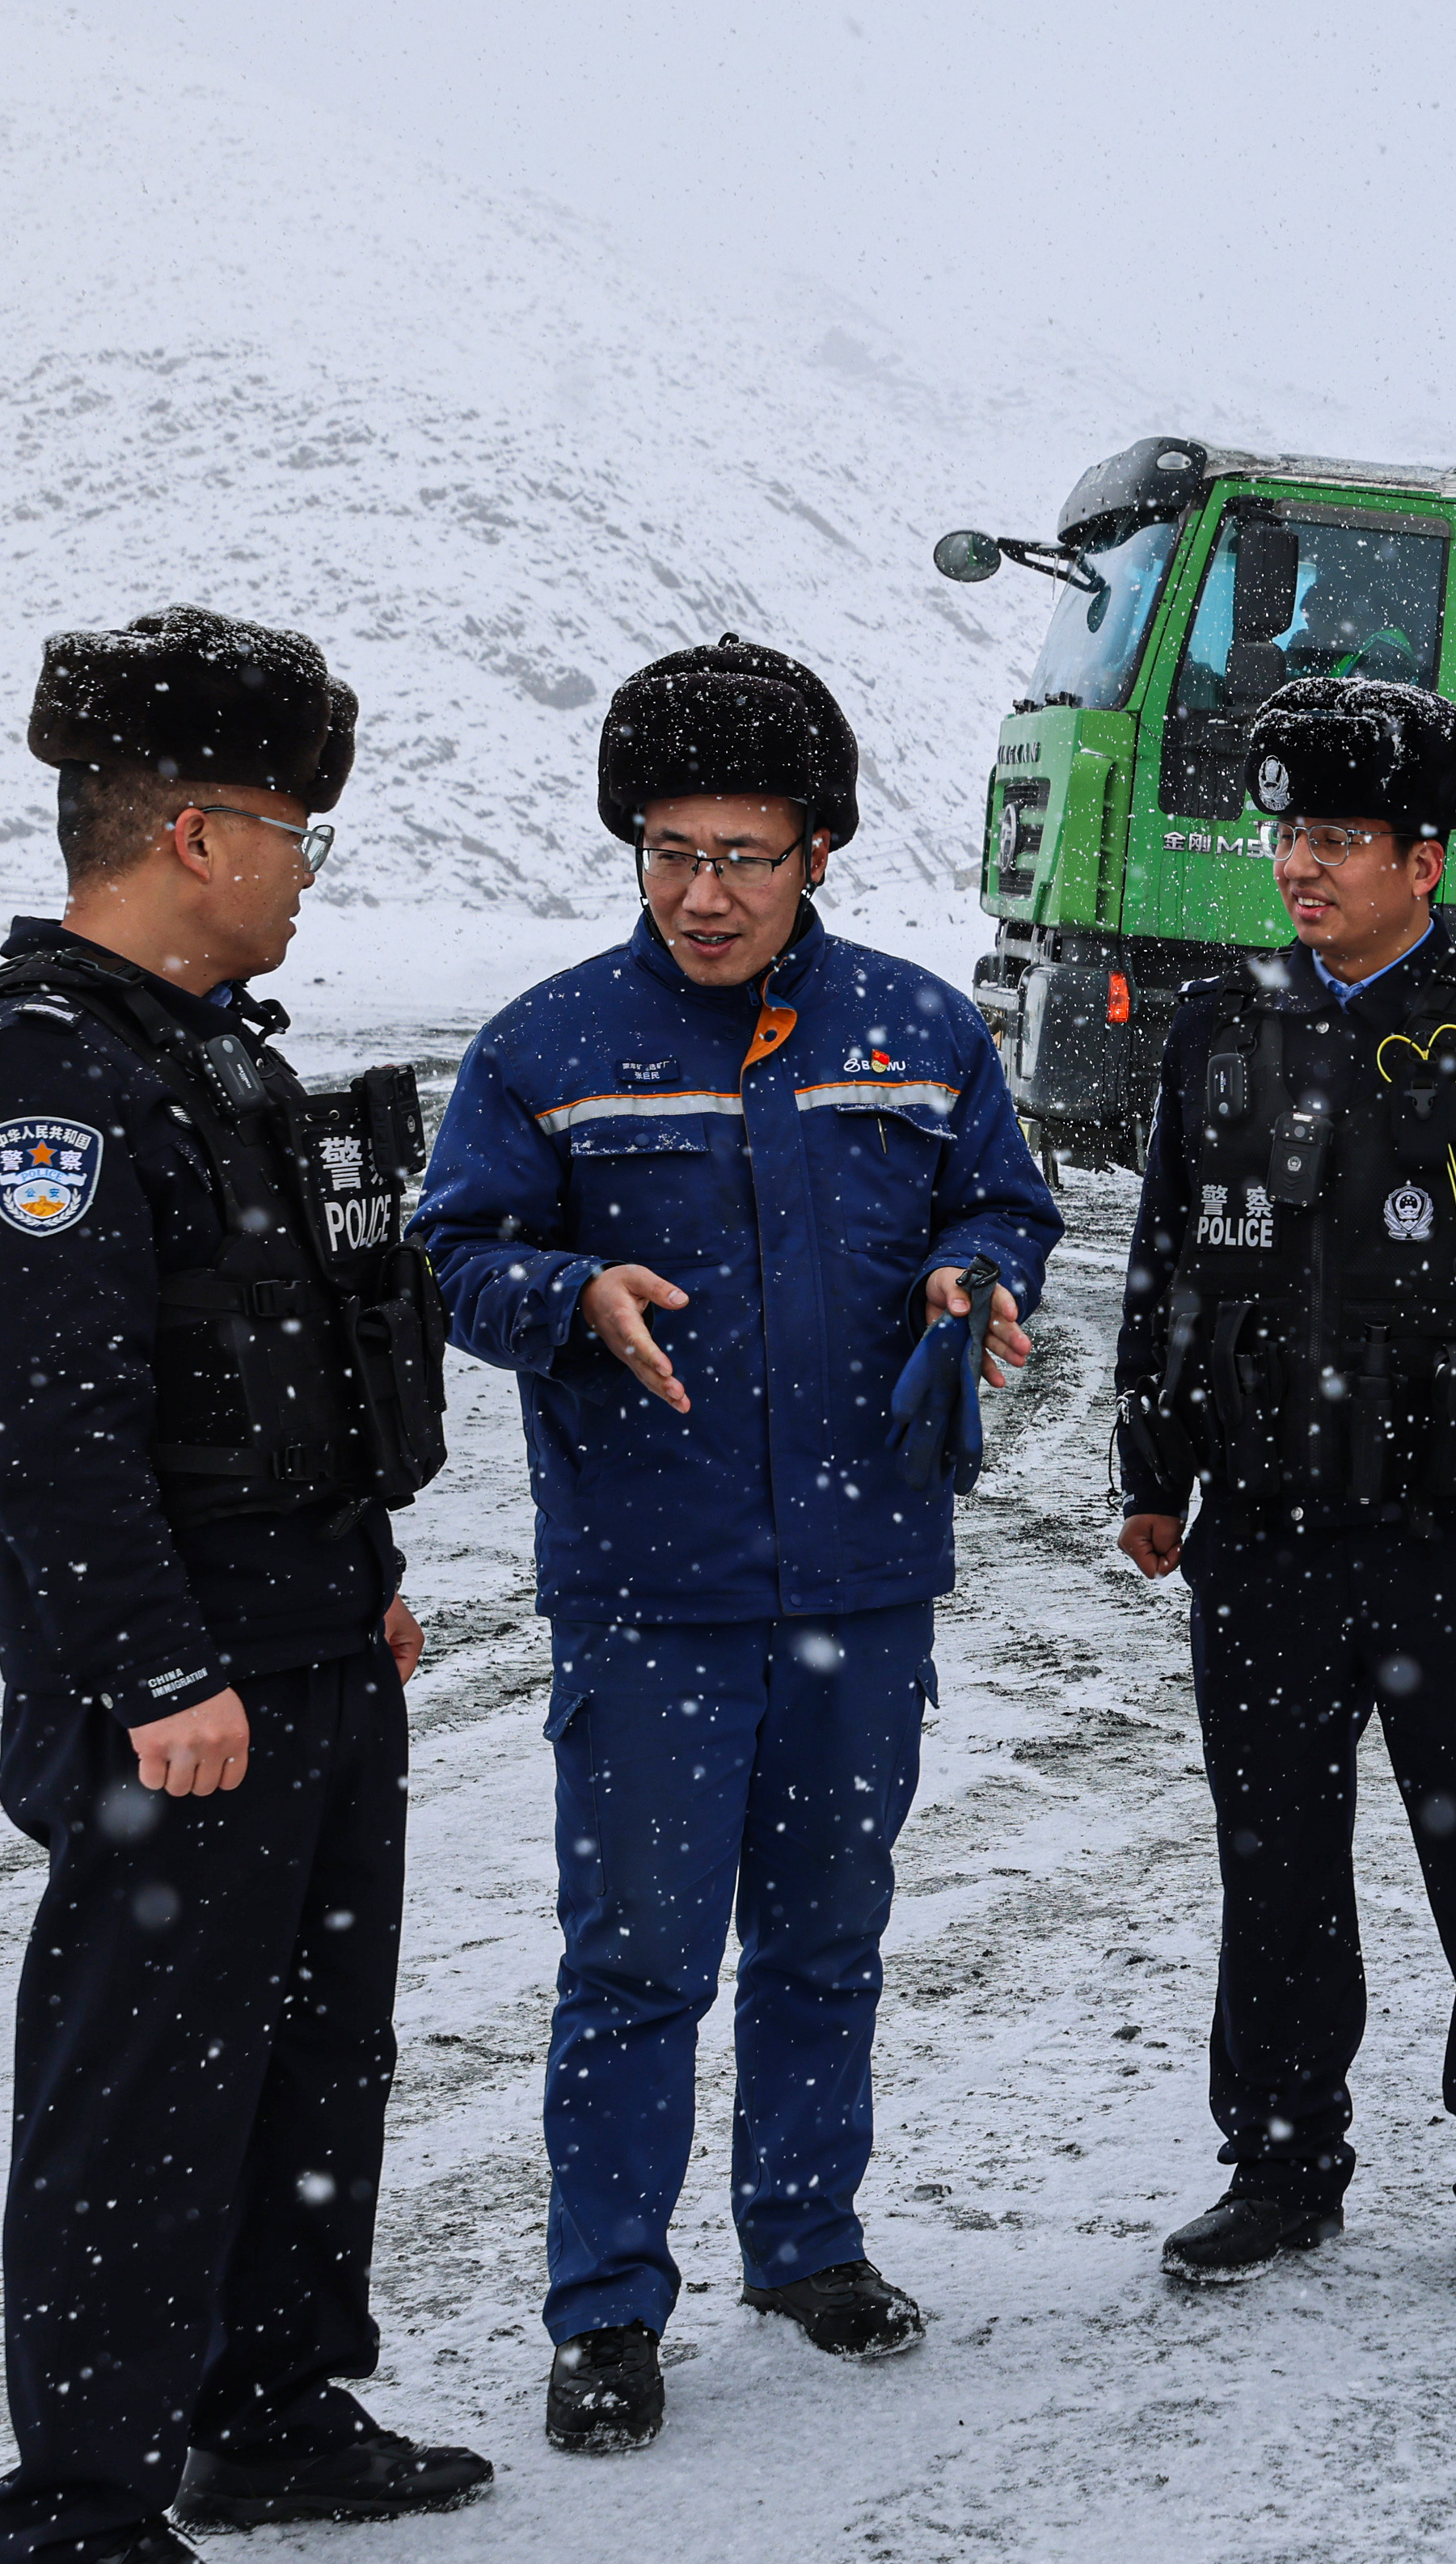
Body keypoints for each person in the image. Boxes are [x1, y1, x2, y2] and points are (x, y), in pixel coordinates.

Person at [0, 606, 482, 2564]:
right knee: (142, 2089)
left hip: (309, 1644)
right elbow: (49, 1438)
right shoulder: (39, 1083)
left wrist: (361, 1585)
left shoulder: (214, 1059)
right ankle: (73, 2508)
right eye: (298, 835)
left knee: (316, 2059)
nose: (312, 871)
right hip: (181, 1691)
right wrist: (161, 1676)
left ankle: (266, 2407)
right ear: (199, 832)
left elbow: (291, 1367)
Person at [412, 636, 1059, 2456]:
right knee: (635, 1960)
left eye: (744, 857)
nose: (703, 893)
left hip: (866, 1574)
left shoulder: (919, 1032)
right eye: (670, 852)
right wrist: (564, 1289)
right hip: (655, 1589)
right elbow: (459, 1252)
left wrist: (976, 1274)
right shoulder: (547, 1046)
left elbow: (1006, 1198)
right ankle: (607, 2307)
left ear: (822, 852)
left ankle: (806, 2239)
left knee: (828, 1937)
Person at [1112, 674, 1456, 2322]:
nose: (1302, 868)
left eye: (1339, 839)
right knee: (1275, 1863)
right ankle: (1280, 2163)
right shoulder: (1218, 1026)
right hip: (1263, 1527)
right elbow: (1169, 1264)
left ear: (1425, 853)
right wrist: (1151, 1464)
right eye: (1289, 835)